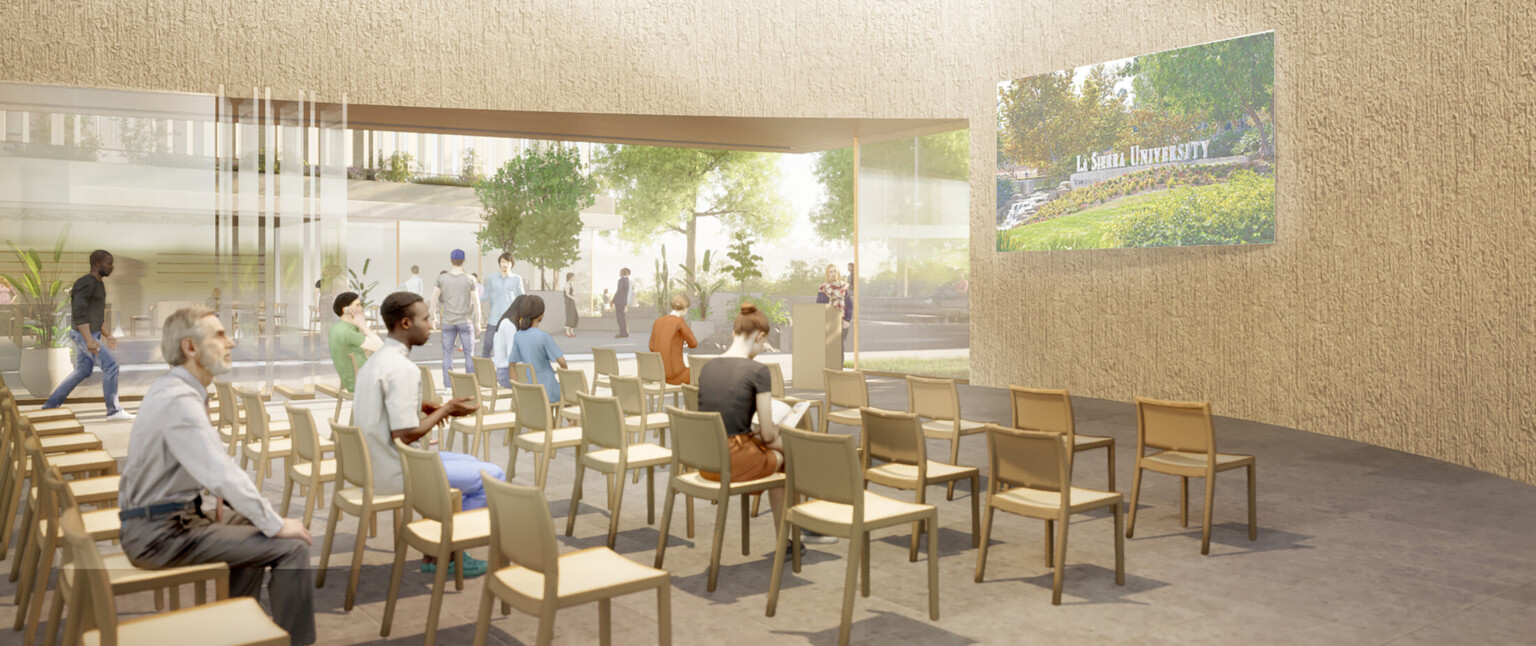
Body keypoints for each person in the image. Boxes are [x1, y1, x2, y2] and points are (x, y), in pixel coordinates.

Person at [117, 306, 315, 644]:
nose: (231, 342)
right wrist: (277, 524)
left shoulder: (173, 388)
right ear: (191, 348)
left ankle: (241, 629)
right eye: (220, 335)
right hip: (159, 535)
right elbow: (220, 470)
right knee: (291, 546)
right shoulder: (180, 400)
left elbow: (205, 461)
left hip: (167, 521)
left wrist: (228, 497)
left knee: (249, 522)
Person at [353, 291, 505, 576]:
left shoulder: (375, 361)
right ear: (406, 324)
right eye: (426, 318)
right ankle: (449, 554)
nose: (432, 324)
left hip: (374, 463)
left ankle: (434, 554)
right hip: (396, 471)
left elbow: (381, 407)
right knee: (492, 476)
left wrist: (423, 406)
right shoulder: (403, 368)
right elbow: (406, 433)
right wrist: (445, 410)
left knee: (471, 464)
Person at [43, 249, 131, 420]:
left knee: (82, 370)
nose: (112, 267)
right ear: (98, 263)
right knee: (111, 366)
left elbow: (96, 316)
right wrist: (89, 340)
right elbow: (79, 313)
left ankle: (50, 406)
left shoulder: (99, 284)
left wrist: (108, 335)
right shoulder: (86, 283)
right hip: (85, 335)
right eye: (109, 263)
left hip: (91, 334)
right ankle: (114, 411)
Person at [501, 295, 567, 403]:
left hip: (530, 390)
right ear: (541, 315)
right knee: (572, 395)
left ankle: (554, 420)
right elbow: (562, 362)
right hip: (549, 390)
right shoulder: (543, 336)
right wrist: (565, 373)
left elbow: (511, 366)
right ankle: (571, 419)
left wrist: (517, 390)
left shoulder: (518, 336)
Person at [430, 250, 481, 386]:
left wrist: (433, 317)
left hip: (447, 322)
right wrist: (478, 322)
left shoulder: (442, 279)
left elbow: (434, 297)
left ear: (451, 260)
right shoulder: (470, 279)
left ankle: (448, 385)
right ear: (464, 260)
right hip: (466, 321)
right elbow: (476, 301)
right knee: (469, 354)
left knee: (447, 354)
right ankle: (471, 385)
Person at [327, 292, 381, 392]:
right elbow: (382, 348)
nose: (361, 308)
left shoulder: (336, 328)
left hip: (353, 380)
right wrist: (363, 326)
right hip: (362, 383)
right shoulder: (347, 332)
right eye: (357, 305)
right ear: (346, 310)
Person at [480, 253, 524, 358]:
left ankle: (510, 372)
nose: (505, 264)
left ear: (511, 264)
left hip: (510, 320)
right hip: (494, 318)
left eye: (508, 262)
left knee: (511, 347)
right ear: (499, 263)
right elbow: (485, 295)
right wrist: (474, 301)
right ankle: (484, 371)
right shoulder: (491, 277)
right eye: (503, 262)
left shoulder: (517, 279)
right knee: (487, 345)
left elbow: (522, 297)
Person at [648, 294, 698, 386]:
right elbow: (693, 343)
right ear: (685, 308)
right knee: (702, 374)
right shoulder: (679, 321)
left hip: (660, 374)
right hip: (675, 375)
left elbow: (651, 347)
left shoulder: (658, 321)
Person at [817, 264, 851, 342]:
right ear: (827, 274)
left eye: (835, 271)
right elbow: (819, 306)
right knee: (828, 348)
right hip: (828, 322)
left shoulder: (844, 287)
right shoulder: (822, 288)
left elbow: (849, 306)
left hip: (842, 322)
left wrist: (847, 320)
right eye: (831, 272)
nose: (833, 274)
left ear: (838, 273)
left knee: (839, 348)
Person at [611, 267, 631, 338]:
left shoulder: (621, 280)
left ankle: (623, 333)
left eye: (621, 272)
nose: (619, 273)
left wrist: (613, 300)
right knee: (622, 318)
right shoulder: (628, 281)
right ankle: (625, 332)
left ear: (624, 273)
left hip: (619, 302)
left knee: (620, 318)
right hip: (624, 301)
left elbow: (618, 291)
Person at [562, 272, 579, 337]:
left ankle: (571, 331)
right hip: (568, 302)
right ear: (570, 277)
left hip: (571, 301)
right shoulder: (566, 284)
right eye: (573, 277)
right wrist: (575, 299)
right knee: (570, 315)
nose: (574, 278)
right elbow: (567, 294)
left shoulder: (570, 284)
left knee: (574, 315)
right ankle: (567, 331)